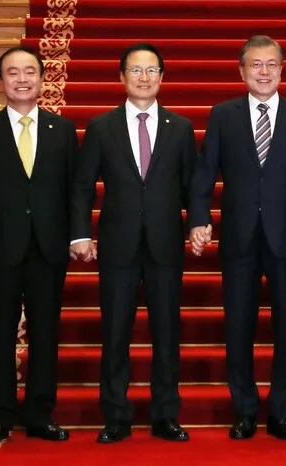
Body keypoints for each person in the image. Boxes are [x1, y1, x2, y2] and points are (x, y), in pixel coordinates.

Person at [188, 35, 286, 441]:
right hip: (239, 238)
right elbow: (205, 172)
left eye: (271, 64)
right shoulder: (223, 115)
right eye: (256, 65)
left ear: (282, 70)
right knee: (238, 327)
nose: (264, 72)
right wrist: (199, 218)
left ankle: (281, 412)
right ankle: (245, 410)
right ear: (242, 71)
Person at [70, 43, 196, 444]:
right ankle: (116, 415)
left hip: (165, 245)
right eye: (136, 71)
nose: (144, 78)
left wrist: (197, 224)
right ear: (121, 77)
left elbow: (193, 187)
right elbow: (83, 186)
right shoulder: (101, 127)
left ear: (163, 77)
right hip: (117, 244)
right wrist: (80, 234)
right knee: (116, 332)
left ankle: (165, 414)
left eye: (152, 70)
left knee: (166, 332)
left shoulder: (181, 128)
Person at [0, 46, 75, 445]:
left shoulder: (63, 130)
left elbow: (74, 192)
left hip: (49, 248)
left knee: (45, 333)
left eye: (30, 72)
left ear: (42, 79)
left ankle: (40, 414)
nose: (22, 79)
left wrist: (76, 236)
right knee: (0, 332)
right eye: (13, 73)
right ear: (0, 81)